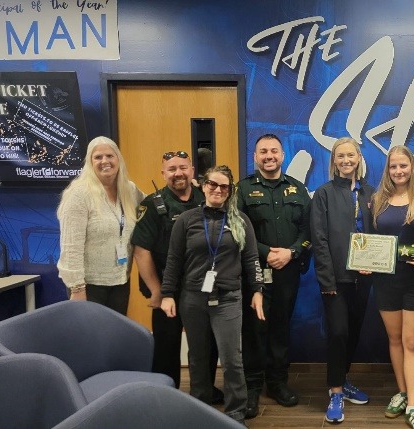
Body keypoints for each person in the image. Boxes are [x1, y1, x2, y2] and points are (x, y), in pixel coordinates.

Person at [160, 165, 265, 428]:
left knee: (231, 358)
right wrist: (167, 294)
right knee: (197, 357)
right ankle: (200, 405)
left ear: (230, 191)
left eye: (224, 187)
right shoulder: (186, 220)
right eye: (213, 185)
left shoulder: (240, 220)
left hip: (229, 298)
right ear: (203, 186)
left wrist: (257, 291)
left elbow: (251, 259)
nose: (218, 190)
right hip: (193, 299)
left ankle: (236, 413)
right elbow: (173, 260)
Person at [131, 150, 223, 402]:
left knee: (206, 343)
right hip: (167, 289)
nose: (178, 173)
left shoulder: (206, 198)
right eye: (171, 169)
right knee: (167, 345)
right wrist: (157, 291)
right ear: (163, 174)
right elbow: (141, 251)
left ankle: (204, 390)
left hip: (200, 288)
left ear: (192, 171)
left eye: (183, 167)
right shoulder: (152, 204)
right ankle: (165, 395)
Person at [236, 134, 311, 416]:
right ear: (255, 157)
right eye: (263, 151)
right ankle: (252, 388)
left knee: (280, 327)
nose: (269, 156)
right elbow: (237, 229)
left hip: (287, 271)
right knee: (254, 329)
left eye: (274, 151)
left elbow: (308, 229)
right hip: (254, 272)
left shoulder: (297, 189)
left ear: (283, 156)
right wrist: (265, 252)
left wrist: (292, 252)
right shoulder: (242, 190)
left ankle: (278, 383)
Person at [371, 145, 414, 429]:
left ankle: (413, 405)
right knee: (395, 340)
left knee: (413, 342)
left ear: (412, 167)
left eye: (403, 166)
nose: (398, 171)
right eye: (393, 167)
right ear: (387, 170)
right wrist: (365, 260)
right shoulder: (377, 200)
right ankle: (401, 393)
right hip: (385, 280)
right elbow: (369, 239)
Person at [311, 137, 374, 423]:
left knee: (354, 332)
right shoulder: (323, 193)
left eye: (351, 155)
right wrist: (327, 280)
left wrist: (374, 264)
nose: (346, 160)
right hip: (335, 278)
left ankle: (343, 379)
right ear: (334, 161)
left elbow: (377, 235)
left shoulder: (371, 194)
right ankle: (335, 391)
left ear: (359, 158)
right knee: (338, 333)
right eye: (341, 156)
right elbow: (319, 239)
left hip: (364, 278)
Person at [57, 136, 144, 315]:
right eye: (98, 157)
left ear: (118, 159)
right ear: (90, 162)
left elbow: (154, 205)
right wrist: (77, 288)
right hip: (88, 286)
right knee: (90, 340)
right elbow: (71, 247)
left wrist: (194, 191)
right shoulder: (78, 194)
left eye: (109, 156)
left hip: (120, 281)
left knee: (114, 336)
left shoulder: (129, 189)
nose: (105, 161)